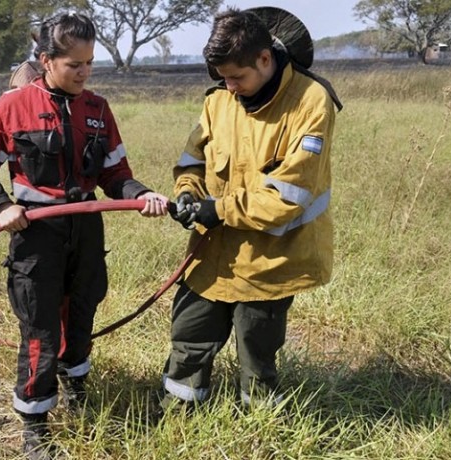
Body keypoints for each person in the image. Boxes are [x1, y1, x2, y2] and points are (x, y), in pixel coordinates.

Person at [0, 13, 168, 459]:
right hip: (36, 233)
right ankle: (35, 425)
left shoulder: (98, 109)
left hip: (86, 229)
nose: (84, 72)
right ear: (45, 59)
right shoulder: (10, 107)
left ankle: (77, 386)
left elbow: (116, 174)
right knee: (40, 328)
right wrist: (2, 206)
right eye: (74, 64)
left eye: (89, 62)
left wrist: (143, 194)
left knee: (82, 314)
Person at [162, 8, 339, 411]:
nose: (229, 87)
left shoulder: (311, 103)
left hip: (271, 259)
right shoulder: (219, 100)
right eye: (222, 78)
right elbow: (193, 159)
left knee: (256, 349)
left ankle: (260, 425)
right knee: (190, 333)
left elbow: (288, 196)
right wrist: (189, 192)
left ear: (265, 59)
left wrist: (218, 209)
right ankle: (177, 412)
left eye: (236, 77)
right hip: (211, 254)